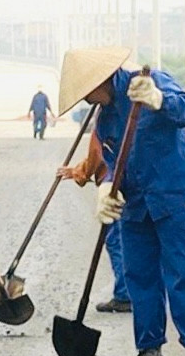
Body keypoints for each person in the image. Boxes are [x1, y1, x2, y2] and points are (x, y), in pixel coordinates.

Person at [58, 46, 185, 356]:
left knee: (183, 272)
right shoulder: (105, 115)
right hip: (135, 204)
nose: (87, 101)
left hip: (174, 195)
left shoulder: (149, 81)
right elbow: (112, 163)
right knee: (139, 276)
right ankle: (149, 353)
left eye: (88, 93)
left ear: (103, 79)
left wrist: (158, 100)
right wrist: (106, 188)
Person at [56, 119, 131, 313]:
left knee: (116, 240)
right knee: (134, 239)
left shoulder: (108, 117)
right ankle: (136, 293)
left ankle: (125, 295)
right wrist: (77, 171)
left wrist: (79, 172)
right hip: (133, 183)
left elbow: (97, 155)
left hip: (116, 186)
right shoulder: (128, 109)